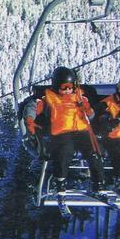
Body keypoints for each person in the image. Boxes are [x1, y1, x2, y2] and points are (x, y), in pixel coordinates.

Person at [24, 66, 104, 194]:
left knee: (94, 150)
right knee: (65, 150)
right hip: (61, 132)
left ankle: (98, 183)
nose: (68, 90)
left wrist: (88, 109)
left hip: (81, 131)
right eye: (64, 87)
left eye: (70, 87)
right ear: (56, 86)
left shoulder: (80, 97)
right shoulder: (48, 98)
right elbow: (32, 106)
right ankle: (60, 181)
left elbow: (91, 116)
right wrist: (30, 120)